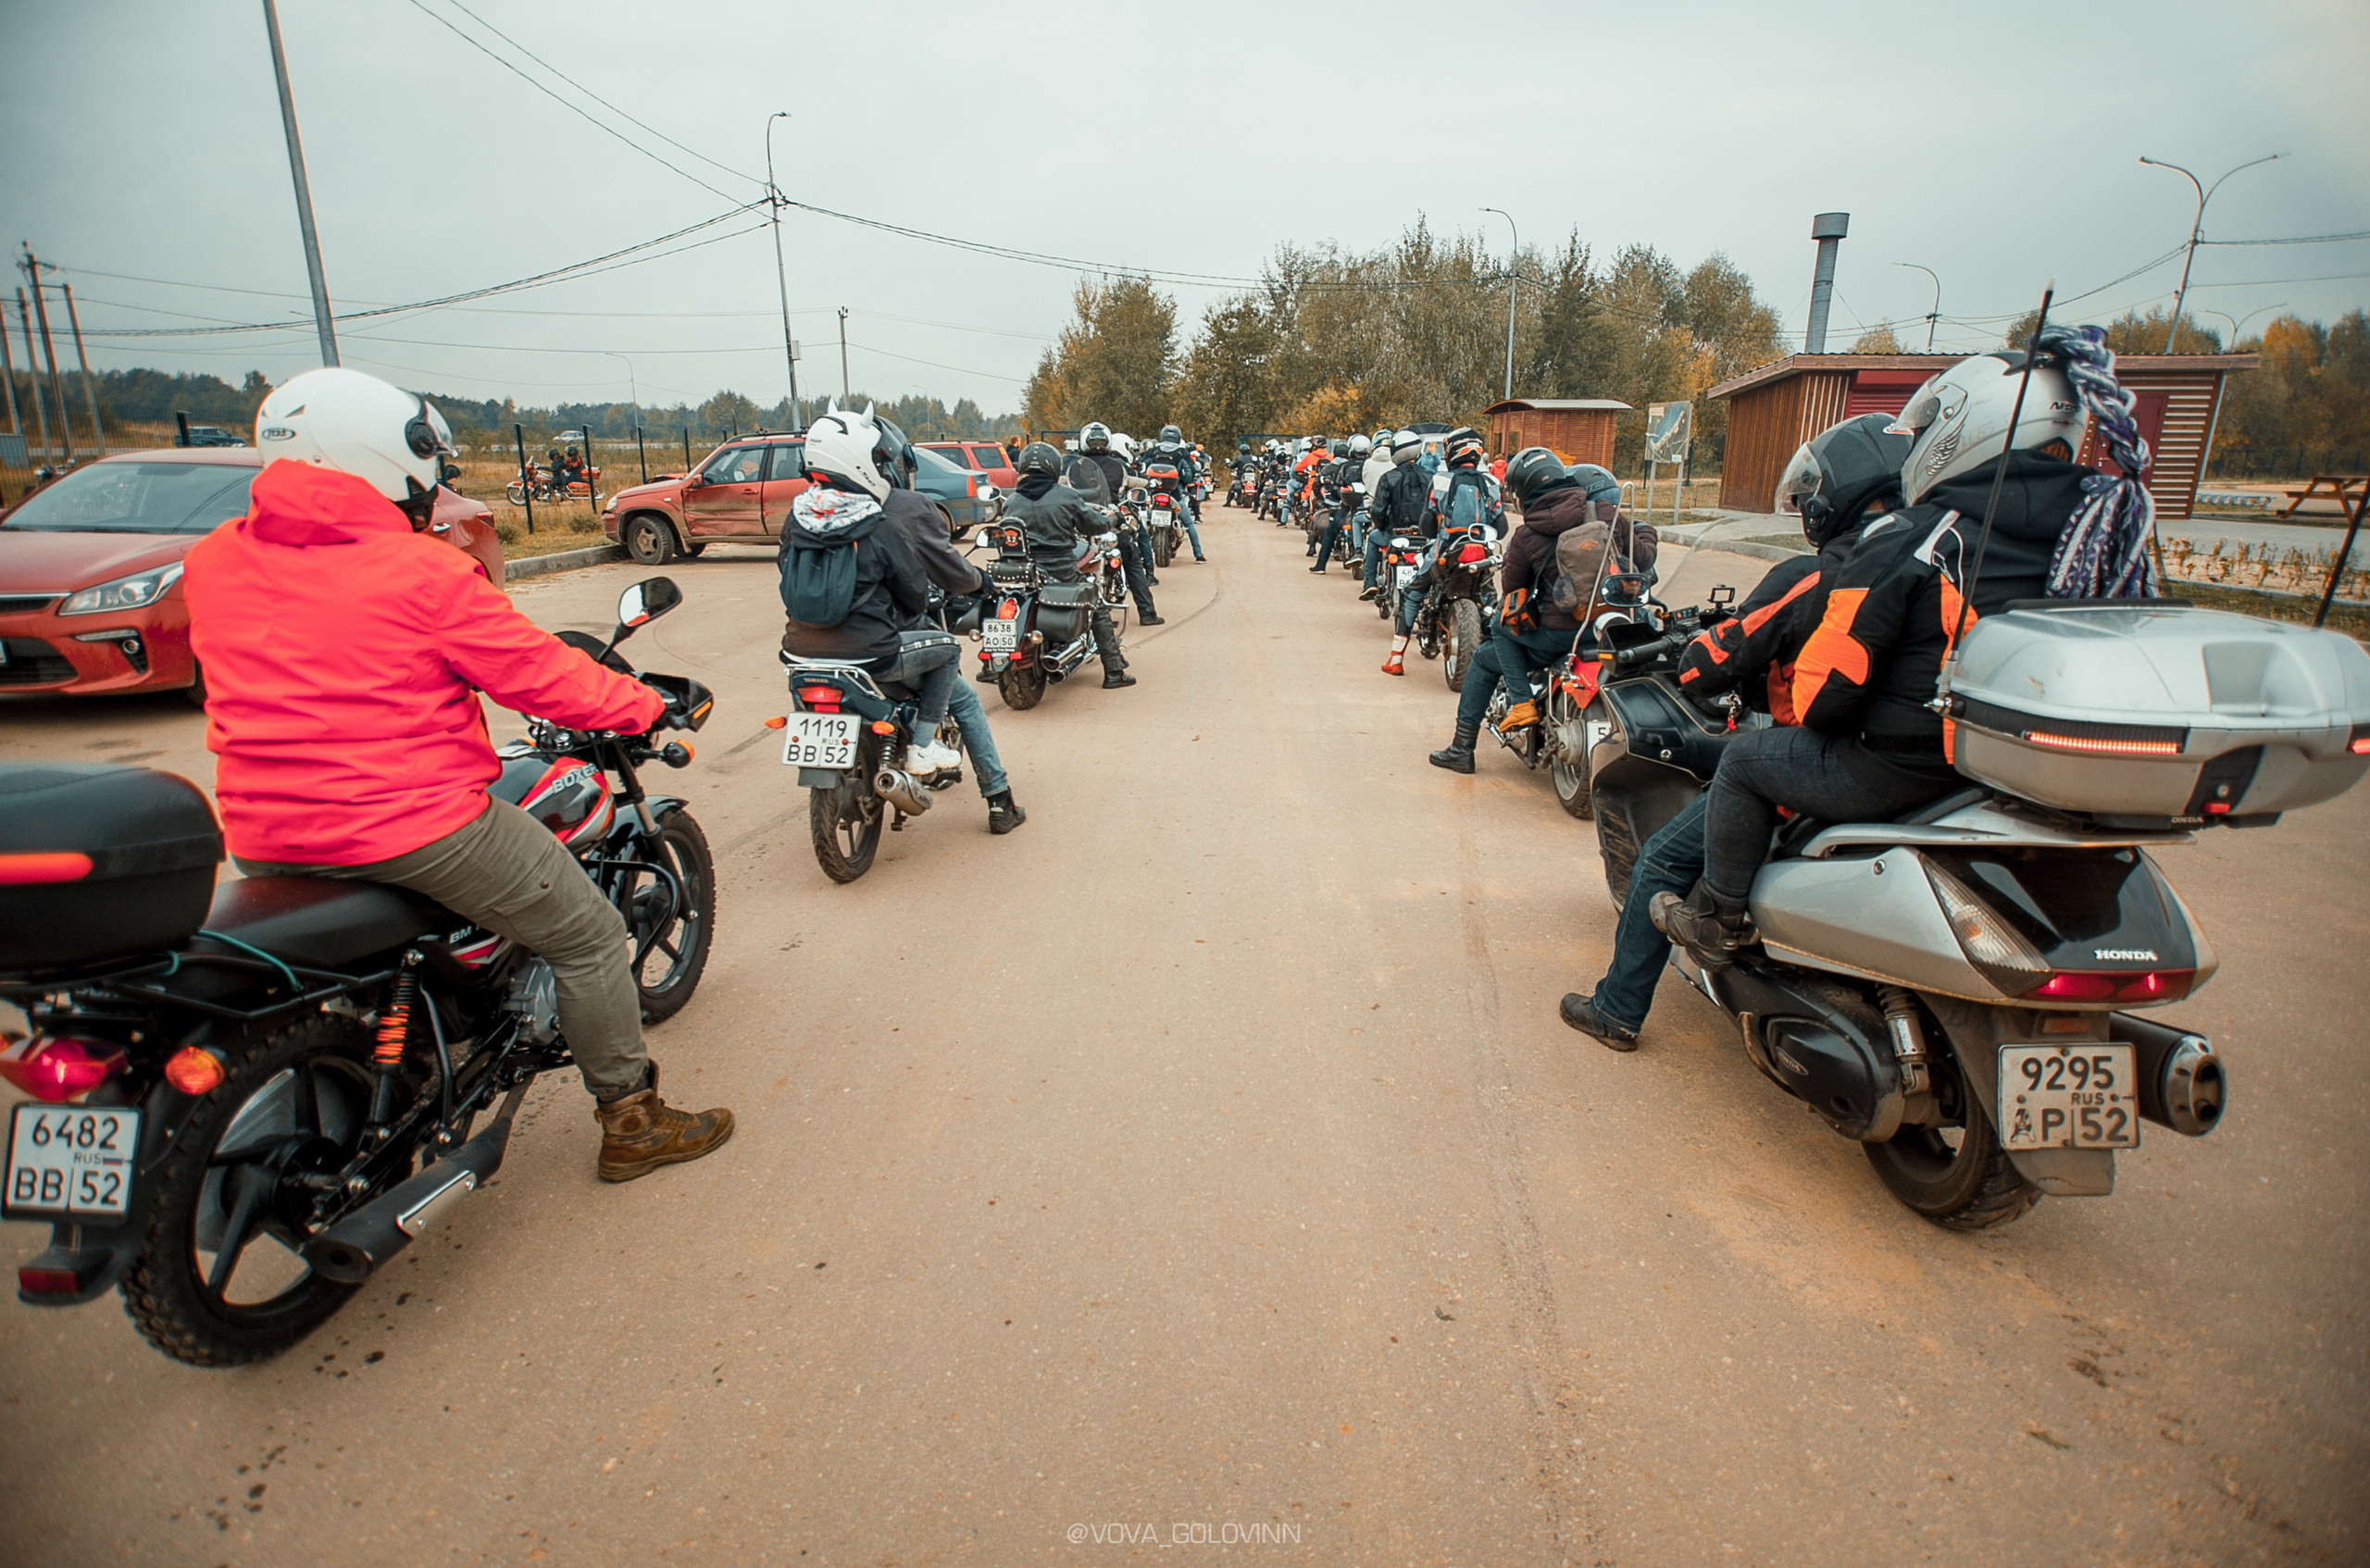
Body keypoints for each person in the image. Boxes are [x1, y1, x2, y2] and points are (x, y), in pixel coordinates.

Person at [182, 367, 733, 1182]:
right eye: (420, 465)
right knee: (584, 933)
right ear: (377, 460)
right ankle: (632, 1118)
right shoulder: (418, 572)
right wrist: (643, 709)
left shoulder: (215, 561)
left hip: (267, 835)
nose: (429, 482)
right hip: (411, 825)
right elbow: (539, 674)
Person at [1653, 328, 2158, 973]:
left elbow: (1826, 692)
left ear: (1964, 429)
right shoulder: (2105, 528)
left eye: (1925, 432)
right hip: (2019, 764)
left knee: (1748, 760)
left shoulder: (1914, 536)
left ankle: (1717, 918)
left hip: (1905, 764)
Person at [1557, 412, 1907, 1048]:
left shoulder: (1818, 573)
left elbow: (1721, 655)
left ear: (1835, 499)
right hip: (1911, 760)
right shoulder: (1934, 559)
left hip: (1820, 758)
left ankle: (1617, 1008)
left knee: (1661, 858)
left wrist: (1692, 657)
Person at [780, 402, 962, 777]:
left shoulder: (794, 520)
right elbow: (913, 592)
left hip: (799, 655)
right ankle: (923, 746)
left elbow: (785, 576)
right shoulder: (877, 524)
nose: (883, 468)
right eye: (879, 461)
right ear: (857, 460)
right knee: (949, 650)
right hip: (869, 656)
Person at [866, 415, 1028, 834]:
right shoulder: (906, 508)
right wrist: (980, 582)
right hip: (886, 637)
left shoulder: (814, 513)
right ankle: (999, 800)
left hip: (810, 647)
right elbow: (948, 568)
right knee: (965, 699)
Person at [1424, 445, 1588, 769]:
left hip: (1559, 633)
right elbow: (1643, 556)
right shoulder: (1601, 512)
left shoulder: (1528, 534)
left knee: (1492, 642)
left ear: (1523, 489)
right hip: (1605, 627)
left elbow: (1513, 591)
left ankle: (1471, 741)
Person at [1005, 441, 1137, 690]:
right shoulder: (1067, 495)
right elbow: (1094, 525)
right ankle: (1114, 672)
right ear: (1053, 467)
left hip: (1024, 573)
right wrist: (1113, 520)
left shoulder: (1012, 501)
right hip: (1061, 569)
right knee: (1095, 606)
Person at [1066, 421, 1165, 624]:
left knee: (1064, 562)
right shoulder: (1119, 467)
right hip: (1108, 522)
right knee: (1132, 561)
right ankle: (1147, 613)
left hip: (1079, 524)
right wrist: (1150, 481)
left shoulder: (1071, 467)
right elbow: (1138, 481)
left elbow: (1056, 485)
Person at [1309, 436, 1369, 573]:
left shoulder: (1345, 467)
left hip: (1347, 507)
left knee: (1330, 532)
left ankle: (1321, 565)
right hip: (1367, 507)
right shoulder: (1369, 465)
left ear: (1352, 450)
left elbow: (1336, 489)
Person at [1356, 430, 1396, 597]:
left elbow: (1379, 506)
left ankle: (1369, 581)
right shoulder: (1397, 467)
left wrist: (1379, 524)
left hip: (1378, 515)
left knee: (1372, 535)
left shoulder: (1368, 464)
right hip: (1414, 531)